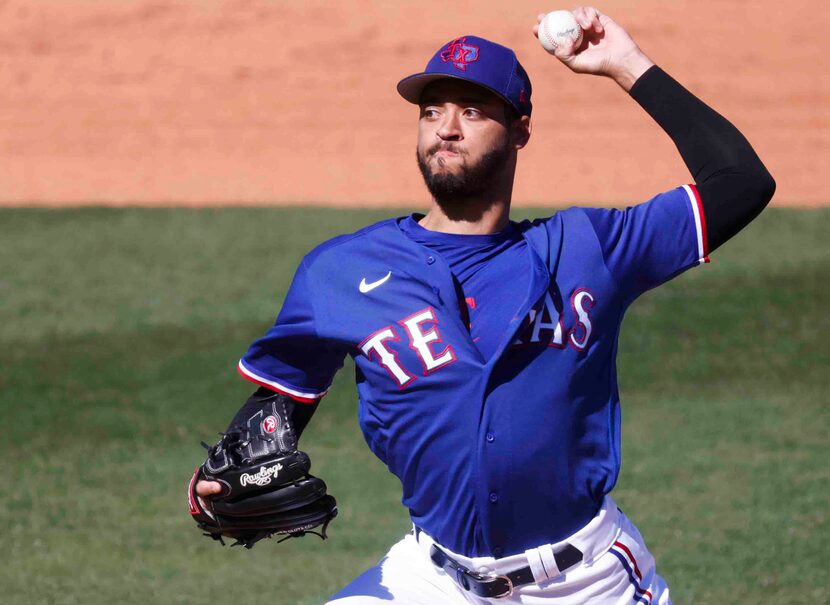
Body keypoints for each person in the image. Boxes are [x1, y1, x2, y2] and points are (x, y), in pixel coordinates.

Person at [195, 7, 775, 603]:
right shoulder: (342, 271)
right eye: (431, 111)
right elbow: (280, 402)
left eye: (472, 111)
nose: (446, 128)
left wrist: (626, 64)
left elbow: (742, 183)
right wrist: (215, 482)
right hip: (434, 577)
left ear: (521, 130)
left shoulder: (588, 249)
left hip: (588, 583)